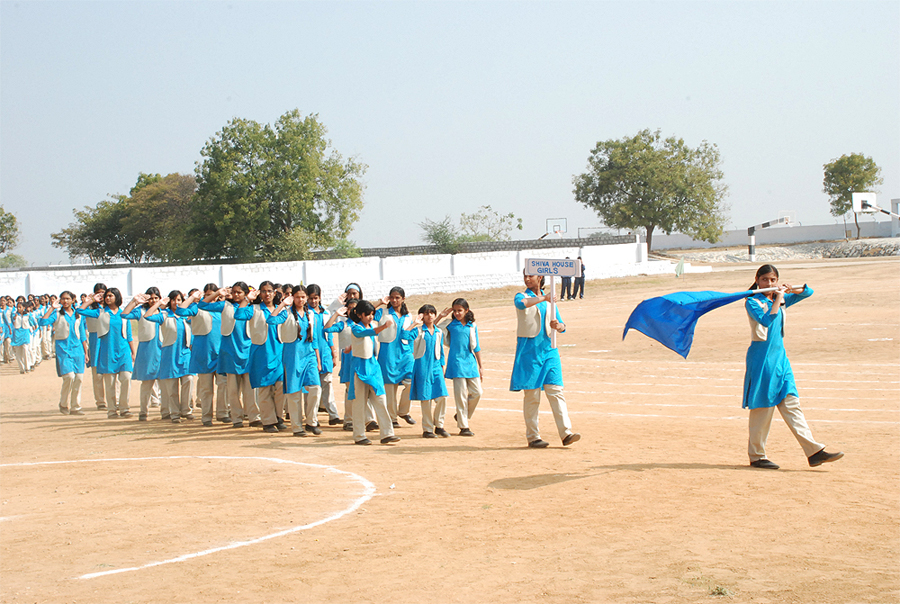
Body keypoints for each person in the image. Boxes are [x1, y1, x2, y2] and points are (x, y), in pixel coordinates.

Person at [743, 264, 844, 470]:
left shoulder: (779, 298)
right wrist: (779, 298)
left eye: (773, 280)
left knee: (792, 404)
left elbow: (808, 292)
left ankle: (814, 451)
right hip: (762, 360)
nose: (769, 284)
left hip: (781, 360)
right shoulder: (753, 301)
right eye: (765, 280)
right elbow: (766, 321)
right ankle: (756, 456)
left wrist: (792, 290)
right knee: (762, 409)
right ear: (757, 280)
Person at [509, 271, 581, 448]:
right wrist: (545, 298)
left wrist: (560, 326)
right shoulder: (523, 296)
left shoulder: (550, 302)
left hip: (549, 351)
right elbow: (522, 304)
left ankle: (566, 433)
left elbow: (562, 325)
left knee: (556, 391)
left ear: (539, 278)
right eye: (525, 276)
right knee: (532, 396)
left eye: (530, 276)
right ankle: (533, 436)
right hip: (529, 353)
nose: (527, 279)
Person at [200, 283, 261, 429]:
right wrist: (217, 294)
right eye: (234, 292)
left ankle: (254, 417)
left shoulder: (251, 308)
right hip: (230, 352)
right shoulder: (225, 306)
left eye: (239, 292)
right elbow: (203, 305)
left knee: (250, 389)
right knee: (232, 390)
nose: (236, 295)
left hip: (247, 351)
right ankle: (237, 418)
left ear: (246, 293)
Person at [76, 288, 139, 418]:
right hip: (107, 352)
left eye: (110, 295)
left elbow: (129, 335)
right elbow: (80, 311)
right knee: (110, 384)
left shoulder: (123, 313)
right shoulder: (101, 312)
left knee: (126, 379)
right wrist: (92, 300)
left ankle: (124, 408)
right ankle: (112, 410)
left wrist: (133, 352)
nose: (108, 298)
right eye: (106, 296)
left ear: (117, 297)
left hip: (123, 352)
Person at [268, 285, 320, 437]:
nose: (300, 299)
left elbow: (314, 338)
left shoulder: (310, 314)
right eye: (297, 297)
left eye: (303, 297)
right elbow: (270, 320)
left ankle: (311, 422)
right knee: (294, 392)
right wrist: (283, 304)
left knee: (315, 388)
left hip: (309, 355)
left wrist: (317, 359)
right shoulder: (287, 313)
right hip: (292, 356)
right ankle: (297, 426)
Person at [237, 281, 287, 433]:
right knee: (265, 388)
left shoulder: (282, 310)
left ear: (274, 293)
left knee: (280, 388)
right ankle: (268, 421)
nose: (267, 294)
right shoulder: (254, 309)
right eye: (264, 291)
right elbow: (238, 314)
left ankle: (278, 417)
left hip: (279, 352)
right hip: (261, 353)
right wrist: (247, 299)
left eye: (270, 291)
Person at [348, 300, 399, 445]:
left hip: (373, 367)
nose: (370, 317)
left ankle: (387, 433)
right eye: (367, 314)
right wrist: (383, 327)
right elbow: (366, 333)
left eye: (372, 314)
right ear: (359, 314)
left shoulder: (373, 325)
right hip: (360, 367)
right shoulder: (355, 328)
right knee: (359, 403)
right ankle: (359, 435)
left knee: (381, 400)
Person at [178, 285, 229, 426]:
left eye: (212, 295)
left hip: (221, 353)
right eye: (207, 295)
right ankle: (206, 417)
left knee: (223, 385)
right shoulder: (197, 308)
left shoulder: (222, 308)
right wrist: (192, 298)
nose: (209, 297)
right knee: (206, 389)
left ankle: (223, 413)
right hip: (203, 354)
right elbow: (180, 310)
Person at [144, 291, 195, 423]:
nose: (176, 303)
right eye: (173, 300)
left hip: (185, 354)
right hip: (170, 355)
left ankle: (186, 410)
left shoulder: (186, 315)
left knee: (188, 380)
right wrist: (159, 304)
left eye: (179, 300)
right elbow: (147, 315)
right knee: (172, 387)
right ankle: (174, 414)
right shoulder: (164, 315)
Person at [374, 286, 416, 427]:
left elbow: (410, 336)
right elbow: (364, 312)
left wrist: (412, 352)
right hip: (388, 354)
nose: (394, 300)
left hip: (405, 354)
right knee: (390, 387)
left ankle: (403, 411)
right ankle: (392, 418)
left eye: (397, 297)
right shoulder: (383, 312)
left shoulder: (408, 316)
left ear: (403, 299)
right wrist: (380, 302)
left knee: (411, 382)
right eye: (392, 297)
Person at [406, 305, 449, 438]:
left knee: (442, 397)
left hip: (436, 368)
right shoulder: (418, 331)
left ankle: (439, 425)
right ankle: (427, 429)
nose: (429, 315)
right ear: (422, 316)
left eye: (432, 313)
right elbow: (404, 336)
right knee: (426, 399)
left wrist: (442, 367)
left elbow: (440, 352)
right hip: (422, 368)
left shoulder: (438, 332)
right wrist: (414, 323)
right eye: (426, 313)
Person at [442, 298, 482, 437]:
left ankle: (461, 416)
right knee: (461, 396)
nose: (457, 313)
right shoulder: (450, 325)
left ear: (467, 310)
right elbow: (433, 327)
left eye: (460, 310)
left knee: (477, 393)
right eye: (455, 311)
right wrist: (442, 316)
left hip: (470, 363)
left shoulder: (472, 326)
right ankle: (464, 426)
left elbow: (476, 346)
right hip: (456, 363)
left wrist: (481, 366)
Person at [306, 284, 342, 426]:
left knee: (327, 383)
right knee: (312, 387)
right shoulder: (305, 313)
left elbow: (329, 333)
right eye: (310, 298)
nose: (313, 301)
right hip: (311, 353)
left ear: (320, 298)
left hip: (325, 352)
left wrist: (333, 352)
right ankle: (312, 417)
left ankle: (333, 415)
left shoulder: (325, 313)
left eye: (315, 298)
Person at [131, 288, 164, 421]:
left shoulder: (164, 312)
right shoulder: (141, 311)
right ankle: (143, 411)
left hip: (162, 348)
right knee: (147, 383)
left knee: (165, 383)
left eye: (156, 298)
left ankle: (166, 411)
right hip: (147, 350)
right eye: (151, 298)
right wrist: (135, 302)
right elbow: (125, 314)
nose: (153, 301)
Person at [84, 283, 108, 410]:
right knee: (97, 375)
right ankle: (100, 401)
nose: (102, 295)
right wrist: (89, 301)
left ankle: (113, 399)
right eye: (98, 293)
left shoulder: (110, 307)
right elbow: (80, 311)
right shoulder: (90, 310)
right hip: (95, 342)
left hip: (108, 342)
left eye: (103, 292)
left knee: (111, 373)